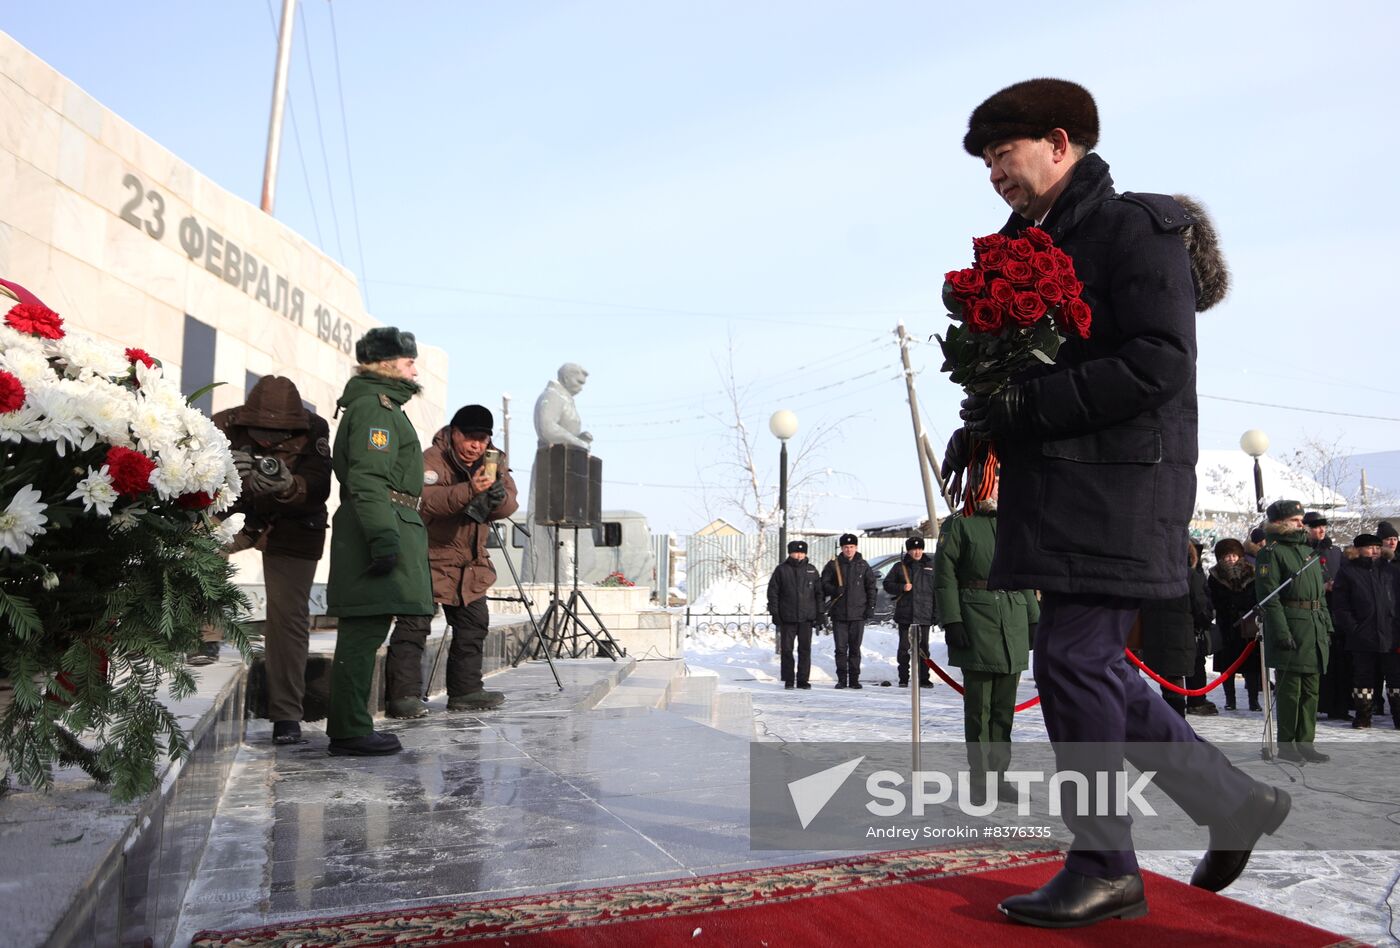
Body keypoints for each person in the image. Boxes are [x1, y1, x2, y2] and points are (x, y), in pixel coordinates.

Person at [952, 78, 1288, 928]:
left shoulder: (1135, 227)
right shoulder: (1019, 243)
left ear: (1060, 143)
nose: (996, 173)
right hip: (1056, 483)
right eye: (987, 161)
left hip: (1123, 483)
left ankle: (1106, 864)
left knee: (1070, 659)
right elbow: (1018, 367)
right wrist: (983, 420)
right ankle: (1231, 802)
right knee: (1085, 664)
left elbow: (1160, 362)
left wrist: (1032, 407)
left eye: (1005, 154)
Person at [324, 328, 434, 756]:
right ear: (386, 364)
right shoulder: (375, 408)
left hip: (386, 521)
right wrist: (384, 538)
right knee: (363, 632)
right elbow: (368, 478)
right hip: (378, 525)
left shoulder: (381, 405)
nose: (414, 368)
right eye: (408, 362)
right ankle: (350, 729)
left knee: (367, 630)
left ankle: (351, 725)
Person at [211, 376, 331, 744]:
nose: (267, 442)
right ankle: (196, 647)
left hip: (295, 525)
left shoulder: (315, 430)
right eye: (260, 433)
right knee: (193, 566)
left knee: (288, 618)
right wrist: (232, 475)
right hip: (236, 515)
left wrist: (287, 485)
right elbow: (199, 481)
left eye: (277, 436)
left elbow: (319, 486)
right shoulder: (223, 426)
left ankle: (286, 716)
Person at [384, 405, 519, 717]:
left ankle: (466, 691)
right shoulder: (431, 459)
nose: (476, 445)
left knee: (473, 627)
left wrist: (497, 500)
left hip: (471, 562)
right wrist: (470, 489)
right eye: (470, 438)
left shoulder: (493, 461)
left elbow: (510, 501)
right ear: (454, 432)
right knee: (413, 628)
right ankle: (403, 697)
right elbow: (426, 500)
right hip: (428, 557)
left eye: (483, 439)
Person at [932, 472, 1037, 804]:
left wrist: (1035, 619)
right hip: (976, 621)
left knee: (1005, 711)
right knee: (980, 710)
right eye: (990, 483)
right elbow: (944, 576)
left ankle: (1000, 778)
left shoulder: (1012, 524)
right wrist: (952, 620)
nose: (995, 489)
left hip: (1014, 622)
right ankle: (980, 781)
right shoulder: (958, 524)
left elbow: (1023, 572)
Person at [1255, 500, 1331, 763]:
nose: (1302, 524)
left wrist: (1327, 626)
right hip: (1292, 626)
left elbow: (1319, 596)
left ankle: (1305, 742)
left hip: (1314, 626)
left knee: (1311, 689)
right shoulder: (1272, 552)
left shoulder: (1307, 551)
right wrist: (1282, 632)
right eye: (1296, 520)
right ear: (1280, 523)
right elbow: (1269, 598)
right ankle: (1288, 746)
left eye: (1301, 520)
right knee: (1291, 691)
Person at [1331, 534, 1399, 729]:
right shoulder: (1348, 572)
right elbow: (1341, 606)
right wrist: (1354, 628)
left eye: (1377, 547)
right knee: (1363, 677)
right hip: (1362, 635)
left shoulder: (1392, 571)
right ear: (1358, 549)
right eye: (1370, 548)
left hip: (1391, 634)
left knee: (1396, 678)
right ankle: (1363, 717)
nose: (1375, 551)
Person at [1138, 542, 1208, 719]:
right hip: (1181, 637)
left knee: (1167, 683)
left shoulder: (1150, 575)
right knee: (1175, 685)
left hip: (1154, 634)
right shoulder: (1191, 576)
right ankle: (1177, 728)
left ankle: (1169, 725)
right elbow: (1202, 608)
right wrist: (1203, 623)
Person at [1306, 511, 1351, 721]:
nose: (1321, 530)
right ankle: (1315, 706)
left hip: (1335, 613)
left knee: (1339, 662)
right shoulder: (1303, 552)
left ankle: (1339, 707)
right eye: (1315, 526)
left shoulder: (1335, 552)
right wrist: (1321, 587)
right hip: (1313, 613)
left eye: (1323, 526)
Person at [1207, 538, 1261, 712]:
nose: (1231, 559)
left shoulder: (1251, 573)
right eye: (1226, 556)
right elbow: (1212, 599)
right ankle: (1230, 700)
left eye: (1233, 555)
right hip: (1226, 625)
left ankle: (1253, 700)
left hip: (1247, 625)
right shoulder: (1215, 576)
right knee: (1227, 666)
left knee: (1252, 667)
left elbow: (1256, 596)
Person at [821, 533, 879, 689]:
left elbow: (871, 588)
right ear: (841, 548)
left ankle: (854, 679)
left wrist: (870, 608)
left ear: (856, 547)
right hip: (839, 614)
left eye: (851, 547)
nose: (848, 550)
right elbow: (823, 585)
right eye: (846, 547)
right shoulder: (833, 565)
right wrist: (834, 589)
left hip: (858, 614)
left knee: (855, 649)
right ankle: (842, 679)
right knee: (840, 649)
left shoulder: (863, 565)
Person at [766, 540, 823, 690]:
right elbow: (773, 593)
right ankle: (789, 679)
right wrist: (775, 613)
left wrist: (820, 614)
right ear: (790, 553)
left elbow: (819, 594)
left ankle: (803, 679)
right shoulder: (781, 570)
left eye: (802, 552)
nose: (799, 555)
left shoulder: (811, 570)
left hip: (806, 618)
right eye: (796, 552)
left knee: (805, 650)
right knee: (787, 650)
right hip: (788, 617)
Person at [882, 536, 935, 688]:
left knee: (924, 647)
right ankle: (903, 678)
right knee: (904, 647)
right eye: (913, 549)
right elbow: (887, 584)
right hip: (906, 613)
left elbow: (937, 591)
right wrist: (901, 587)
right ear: (908, 551)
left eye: (919, 549)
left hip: (925, 612)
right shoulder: (900, 566)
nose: (917, 552)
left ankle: (924, 678)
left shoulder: (931, 566)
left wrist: (936, 614)